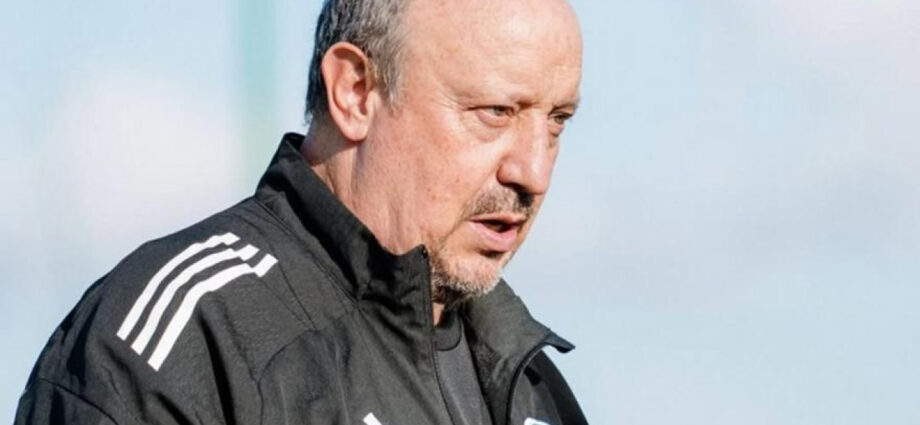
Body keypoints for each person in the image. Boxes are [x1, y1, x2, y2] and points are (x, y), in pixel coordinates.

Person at [15, 0, 586, 424]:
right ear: (355, 92)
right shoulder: (186, 340)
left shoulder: (531, 386)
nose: (533, 172)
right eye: (495, 112)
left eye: (557, 121)